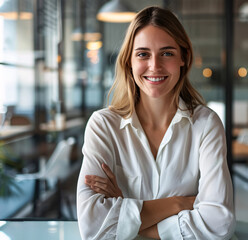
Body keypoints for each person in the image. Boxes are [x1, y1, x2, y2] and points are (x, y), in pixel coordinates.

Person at [77, 6, 235, 240]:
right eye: (143, 54)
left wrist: (129, 216)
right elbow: (92, 228)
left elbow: (219, 223)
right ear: (129, 61)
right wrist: (180, 203)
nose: (155, 66)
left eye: (167, 53)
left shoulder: (206, 124)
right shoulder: (103, 126)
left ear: (184, 58)